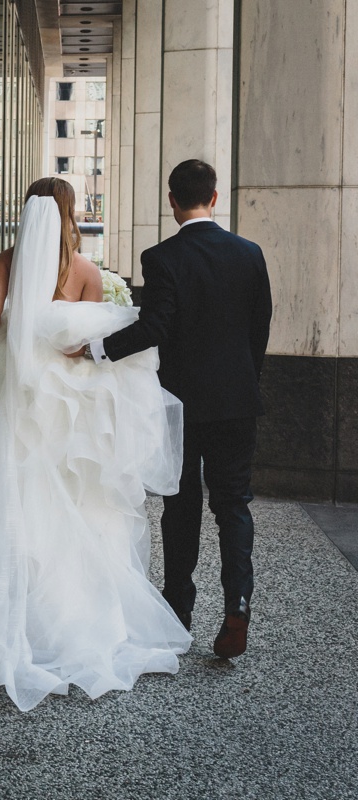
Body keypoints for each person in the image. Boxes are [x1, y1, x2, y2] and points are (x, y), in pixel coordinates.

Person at [0, 178, 191, 712]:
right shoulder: (85, 270)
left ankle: (6, 602)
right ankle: (74, 612)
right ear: (70, 213)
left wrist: (19, 323)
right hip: (69, 403)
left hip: (17, 397)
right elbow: (94, 338)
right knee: (75, 495)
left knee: (17, 491)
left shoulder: (9, 258)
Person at [85, 160, 272, 659]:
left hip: (182, 404)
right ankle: (238, 603)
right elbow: (259, 331)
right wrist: (244, 384)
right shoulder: (249, 254)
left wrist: (97, 350)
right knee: (233, 505)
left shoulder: (162, 257)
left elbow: (155, 328)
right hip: (236, 403)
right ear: (215, 197)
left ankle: (178, 609)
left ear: (172, 201)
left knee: (180, 504)